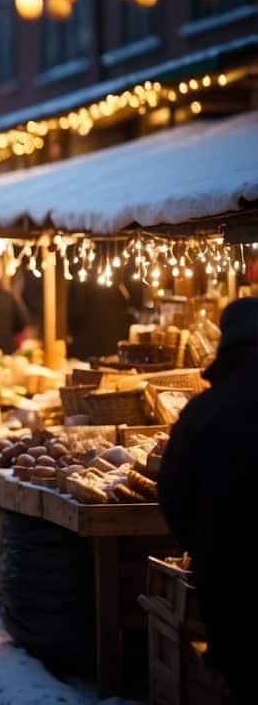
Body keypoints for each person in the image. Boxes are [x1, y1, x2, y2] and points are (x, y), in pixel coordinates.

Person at [158, 297, 258, 702]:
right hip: (224, 564)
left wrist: (199, 544)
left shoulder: (202, 410)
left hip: (227, 573)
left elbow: (172, 487)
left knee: (241, 674)